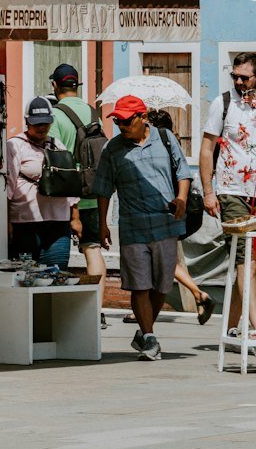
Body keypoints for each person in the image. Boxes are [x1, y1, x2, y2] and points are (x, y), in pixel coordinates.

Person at [92, 95, 191, 362]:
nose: (121, 126)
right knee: (139, 285)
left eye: (126, 120)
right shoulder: (113, 149)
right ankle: (149, 337)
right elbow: (103, 189)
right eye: (118, 121)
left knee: (162, 285)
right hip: (133, 226)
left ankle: (145, 333)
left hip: (165, 223)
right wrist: (102, 224)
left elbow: (183, 172)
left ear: (142, 117)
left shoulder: (166, 139)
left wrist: (181, 198)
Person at [47, 63, 111, 327]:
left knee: (57, 254)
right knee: (93, 250)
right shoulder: (93, 113)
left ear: (55, 86)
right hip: (94, 193)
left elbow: (51, 155)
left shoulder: (56, 115)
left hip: (66, 196)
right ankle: (97, 310)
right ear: (77, 86)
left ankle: (58, 311)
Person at [199, 52, 256, 338]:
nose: (238, 81)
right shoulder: (222, 103)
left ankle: (233, 326)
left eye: (244, 77)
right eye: (234, 75)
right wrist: (209, 192)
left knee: (249, 265)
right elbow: (207, 149)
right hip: (232, 190)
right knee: (246, 259)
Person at [148, 109, 213, 325]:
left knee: (160, 259)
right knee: (162, 260)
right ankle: (145, 310)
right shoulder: (173, 143)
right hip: (181, 211)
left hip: (165, 210)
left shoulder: (160, 145)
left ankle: (198, 294)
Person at [5, 96, 76, 268]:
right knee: (25, 276)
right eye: (36, 123)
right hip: (25, 223)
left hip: (58, 223)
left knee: (56, 276)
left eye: (45, 123)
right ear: (27, 122)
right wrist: (6, 223)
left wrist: (75, 218)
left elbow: (69, 182)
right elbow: (8, 187)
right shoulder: (15, 146)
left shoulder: (57, 145)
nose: (41, 127)